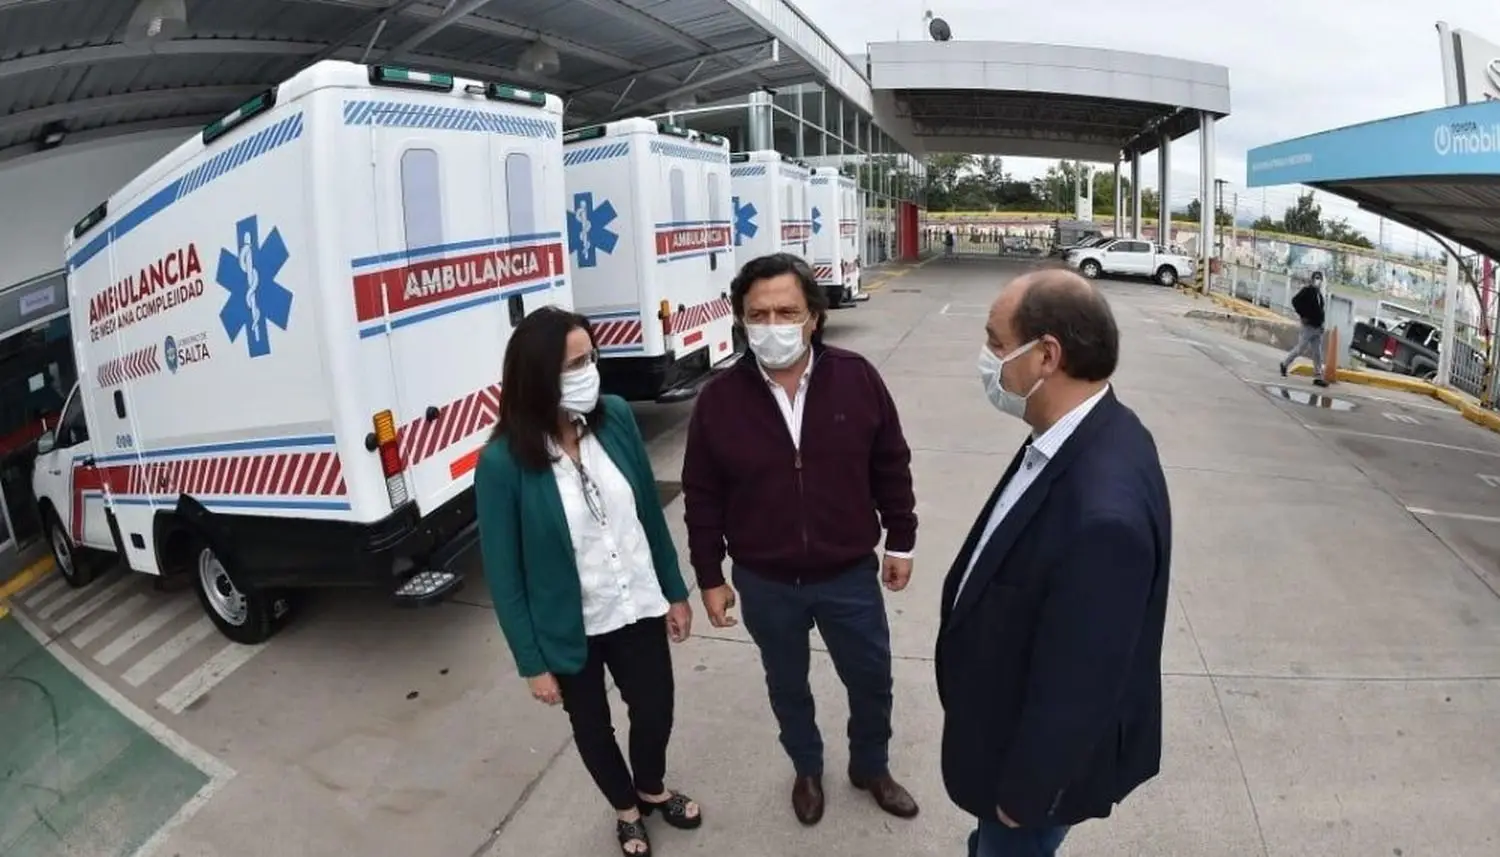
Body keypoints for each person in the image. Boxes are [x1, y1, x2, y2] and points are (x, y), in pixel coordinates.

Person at [937, 266, 1172, 857]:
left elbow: (1081, 686)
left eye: (996, 344)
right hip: (1001, 733)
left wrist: (1025, 797)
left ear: (1046, 356)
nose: (987, 359)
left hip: (1026, 789)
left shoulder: (1103, 516)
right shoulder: (1081, 432)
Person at [681, 252, 920, 826]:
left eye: (787, 312)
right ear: (741, 320)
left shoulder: (857, 378)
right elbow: (702, 496)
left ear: (814, 316)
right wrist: (709, 575)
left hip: (847, 574)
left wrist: (901, 540)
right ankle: (807, 769)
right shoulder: (718, 399)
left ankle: (871, 766)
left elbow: (890, 463)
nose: (773, 326)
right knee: (787, 684)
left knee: (871, 679)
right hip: (766, 580)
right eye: (758, 314)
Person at [475, 306, 701, 857]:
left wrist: (675, 590)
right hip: (570, 624)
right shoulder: (503, 462)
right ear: (537, 378)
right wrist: (532, 663)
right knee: (594, 726)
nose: (589, 372)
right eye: (574, 364)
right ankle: (627, 809)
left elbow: (648, 516)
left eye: (591, 357)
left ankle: (651, 787)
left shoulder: (615, 417)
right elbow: (505, 575)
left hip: (635, 603)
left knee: (656, 709)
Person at [1281, 270, 1330, 387]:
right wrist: (1303, 315)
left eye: (1320, 278)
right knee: (1300, 349)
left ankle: (1318, 377)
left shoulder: (1319, 294)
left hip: (1317, 327)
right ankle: (1284, 364)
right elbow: (1295, 301)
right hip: (1308, 327)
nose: (1318, 281)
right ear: (1312, 279)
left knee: (1317, 353)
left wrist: (1322, 324)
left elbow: (1320, 311)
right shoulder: (1307, 291)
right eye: (1316, 278)